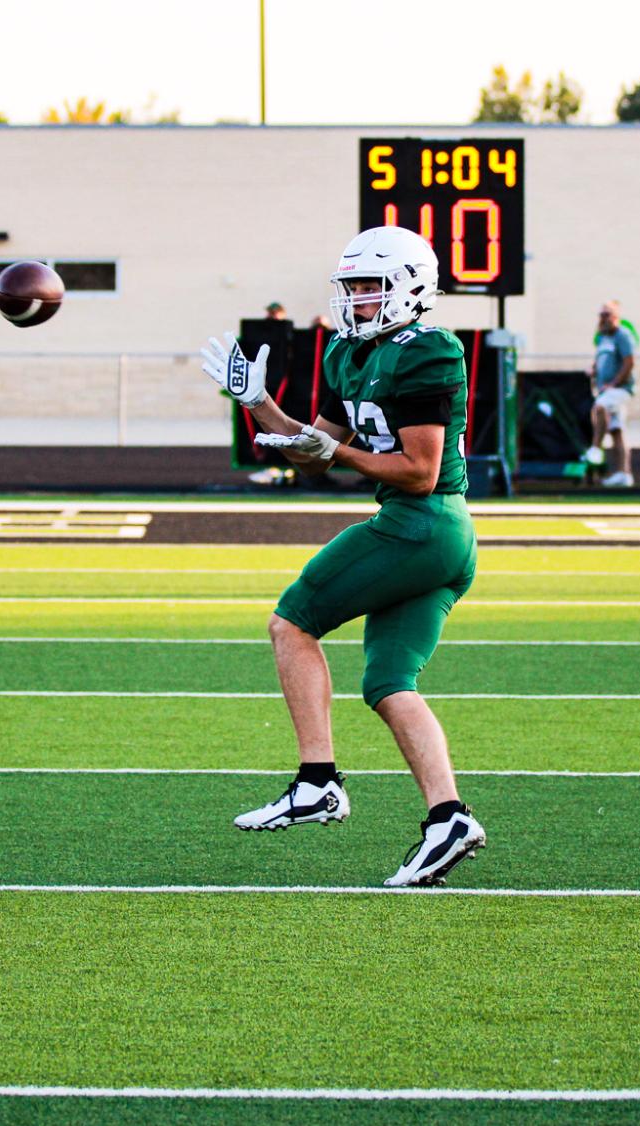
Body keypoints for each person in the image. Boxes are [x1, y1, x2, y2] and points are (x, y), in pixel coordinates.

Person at [201, 225, 484, 888]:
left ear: (411, 288)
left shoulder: (429, 350)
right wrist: (258, 406)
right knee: (388, 684)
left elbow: (418, 470)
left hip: (421, 522)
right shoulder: (347, 357)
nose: (356, 299)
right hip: (432, 535)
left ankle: (317, 781)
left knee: (291, 621)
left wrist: (337, 454)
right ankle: (448, 819)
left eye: (368, 287)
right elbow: (312, 449)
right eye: (351, 287)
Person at [582, 301, 637, 487]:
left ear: (616, 317)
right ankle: (624, 474)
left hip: (620, 390)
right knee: (617, 431)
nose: (603, 319)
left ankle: (596, 448)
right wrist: (593, 370)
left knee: (600, 407)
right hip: (605, 389)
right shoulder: (603, 338)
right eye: (601, 315)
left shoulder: (622, 336)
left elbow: (629, 362)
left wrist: (614, 383)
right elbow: (601, 360)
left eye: (607, 315)